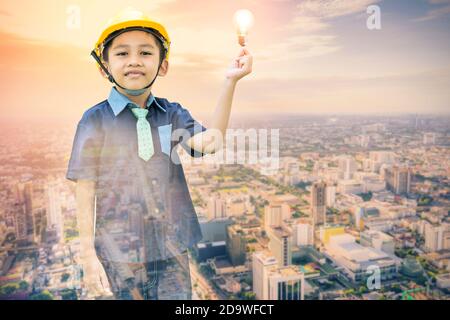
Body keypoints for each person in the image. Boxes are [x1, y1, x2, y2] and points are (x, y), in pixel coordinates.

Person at [66, 8, 252, 300]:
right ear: (103, 67)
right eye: (122, 53)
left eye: (145, 52)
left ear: (163, 66)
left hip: (171, 246)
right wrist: (88, 257)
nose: (134, 61)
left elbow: (211, 142)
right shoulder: (94, 121)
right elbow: (85, 188)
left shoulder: (172, 113)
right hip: (120, 253)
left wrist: (230, 82)